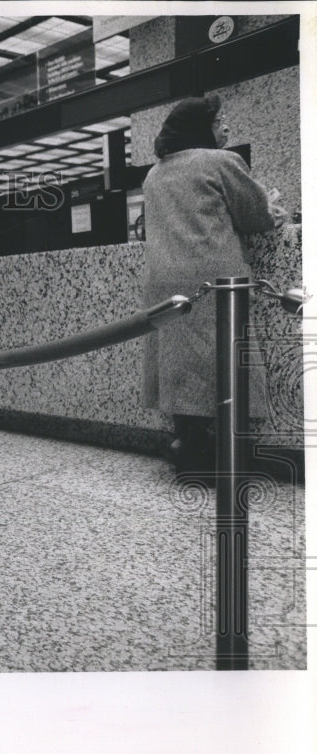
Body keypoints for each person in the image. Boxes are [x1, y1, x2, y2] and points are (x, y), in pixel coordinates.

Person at [141, 95, 287, 479]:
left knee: (182, 369)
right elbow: (257, 218)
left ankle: (187, 447)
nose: (226, 127)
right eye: (220, 120)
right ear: (199, 128)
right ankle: (223, 457)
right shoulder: (222, 162)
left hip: (164, 283)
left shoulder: (154, 174)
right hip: (214, 280)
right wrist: (274, 205)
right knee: (222, 364)